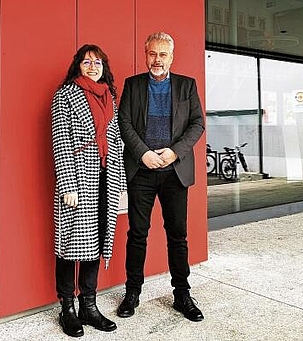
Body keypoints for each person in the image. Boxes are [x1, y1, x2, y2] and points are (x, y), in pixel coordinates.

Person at [116, 31, 205, 322]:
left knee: (177, 236)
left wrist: (174, 152)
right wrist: (143, 153)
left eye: (162, 54)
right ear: (145, 55)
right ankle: (132, 293)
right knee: (137, 234)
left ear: (171, 57)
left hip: (174, 173)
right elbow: (124, 123)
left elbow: (197, 124)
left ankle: (182, 294)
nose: (157, 59)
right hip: (141, 171)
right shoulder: (132, 85)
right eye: (152, 53)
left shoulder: (187, 86)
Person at [51, 44, 126, 337]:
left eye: (97, 62)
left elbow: (116, 141)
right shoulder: (65, 94)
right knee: (70, 245)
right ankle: (67, 308)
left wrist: (119, 182)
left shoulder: (109, 97)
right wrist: (68, 184)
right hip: (78, 176)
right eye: (87, 61)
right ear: (78, 66)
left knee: (97, 241)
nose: (93, 66)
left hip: (106, 176)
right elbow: (60, 142)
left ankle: (89, 306)